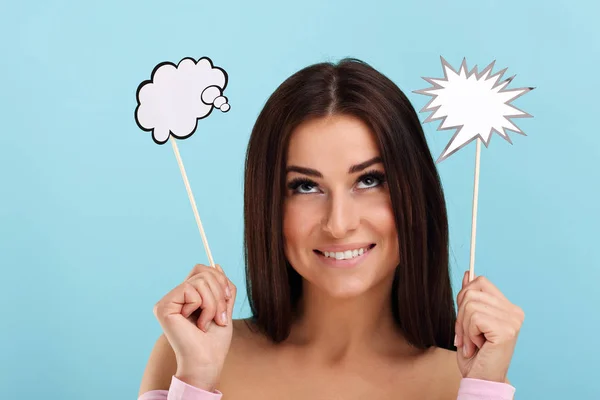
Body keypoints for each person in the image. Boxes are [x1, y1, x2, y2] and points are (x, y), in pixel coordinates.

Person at [137, 58, 524, 400]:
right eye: (306, 186)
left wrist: (484, 390)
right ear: (268, 205)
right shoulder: (187, 357)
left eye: (369, 180)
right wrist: (196, 383)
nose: (339, 224)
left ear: (415, 194)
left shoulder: (465, 382)